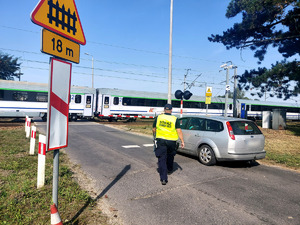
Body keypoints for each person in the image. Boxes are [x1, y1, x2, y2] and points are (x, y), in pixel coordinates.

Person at [152, 104, 184, 185]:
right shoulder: (175, 119)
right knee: (170, 155)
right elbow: (179, 130)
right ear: (171, 110)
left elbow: (154, 129)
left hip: (161, 140)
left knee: (162, 159)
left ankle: (163, 178)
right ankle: (169, 169)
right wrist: (182, 141)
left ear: (164, 110)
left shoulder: (159, 117)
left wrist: (154, 136)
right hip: (172, 141)